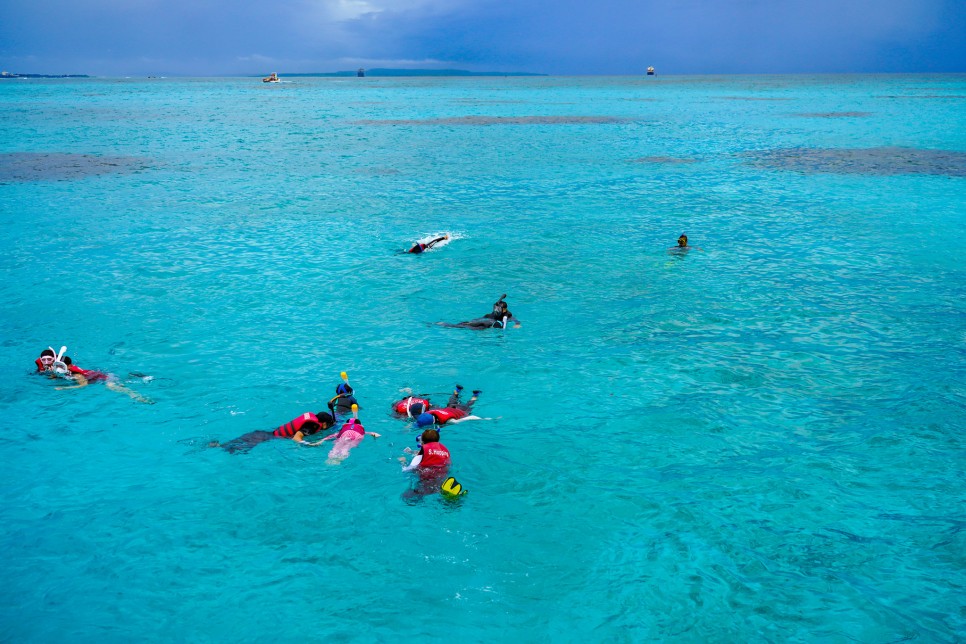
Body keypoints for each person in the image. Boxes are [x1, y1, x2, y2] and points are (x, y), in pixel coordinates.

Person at [210, 411, 336, 454]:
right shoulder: (312, 425)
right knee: (243, 447)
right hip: (272, 437)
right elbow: (296, 438)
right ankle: (223, 447)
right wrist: (310, 445)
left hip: (267, 433)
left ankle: (220, 446)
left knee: (245, 442)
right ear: (323, 423)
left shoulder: (312, 417)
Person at [56, 356, 153, 403]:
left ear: (69, 366)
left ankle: (138, 397)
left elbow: (83, 385)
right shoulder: (67, 370)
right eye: (57, 366)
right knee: (122, 381)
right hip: (104, 376)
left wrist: (65, 388)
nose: (58, 368)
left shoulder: (77, 375)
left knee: (112, 387)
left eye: (61, 366)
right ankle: (137, 376)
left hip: (107, 380)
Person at [303, 404, 381, 464]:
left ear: (346, 424)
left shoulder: (344, 429)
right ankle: (341, 459)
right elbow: (371, 433)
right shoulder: (361, 430)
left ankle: (330, 458)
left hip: (344, 435)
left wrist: (322, 440)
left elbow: (332, 436)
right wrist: (375, 434)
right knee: (347, 448)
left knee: (336, 447)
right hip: (356, 437)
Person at [438, 294, 521, 330]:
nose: (496, 310)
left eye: (498, 309)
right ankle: (450, 325)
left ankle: (449, 325)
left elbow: (516, 321)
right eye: (495, 308)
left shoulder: (507, 316)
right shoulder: (489, 315)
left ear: (503, 310)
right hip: (487, 322)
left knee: (478, 327)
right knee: (469, 323)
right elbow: (479, 319)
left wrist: (517, 325)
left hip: (487, 325)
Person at [414, 385, 482, 428]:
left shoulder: (450, 421)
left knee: (469, 404)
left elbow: (471, 417)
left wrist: (485, 419)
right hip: (450, 407)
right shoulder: (429, 412)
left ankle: (475, 396)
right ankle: (457, 391)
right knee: (452, 399)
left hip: (461, 411)